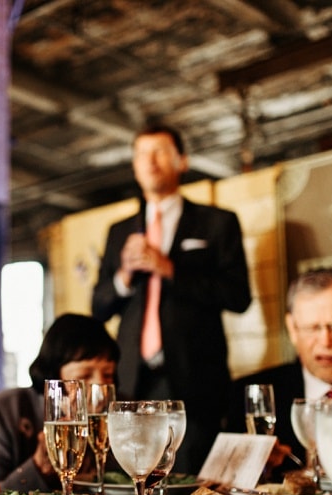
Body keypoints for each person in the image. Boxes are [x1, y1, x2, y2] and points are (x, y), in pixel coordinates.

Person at [92, 123, 252, 473]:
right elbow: (99, 306)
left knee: (192, 488)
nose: (149, 162)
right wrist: (124, 276)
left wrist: (170, 270)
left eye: (159, 152)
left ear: (182, 161)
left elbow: (238, 296)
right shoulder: (119, 231)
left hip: (194, 382)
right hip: (131, 381)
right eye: (140, 155)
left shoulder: (217, 223)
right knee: (129, 487)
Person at [237, 268, 332, 469]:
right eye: (312, 328)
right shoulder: (251, 396)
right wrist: (255, 467)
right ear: (292, 329)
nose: (326, 341)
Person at [0, 314, 119, 492]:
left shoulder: (124, 412)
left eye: (108, 375)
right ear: (54, 375)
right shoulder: (0, 412)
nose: (99, 388)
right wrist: (38, 468)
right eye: (83, 377)